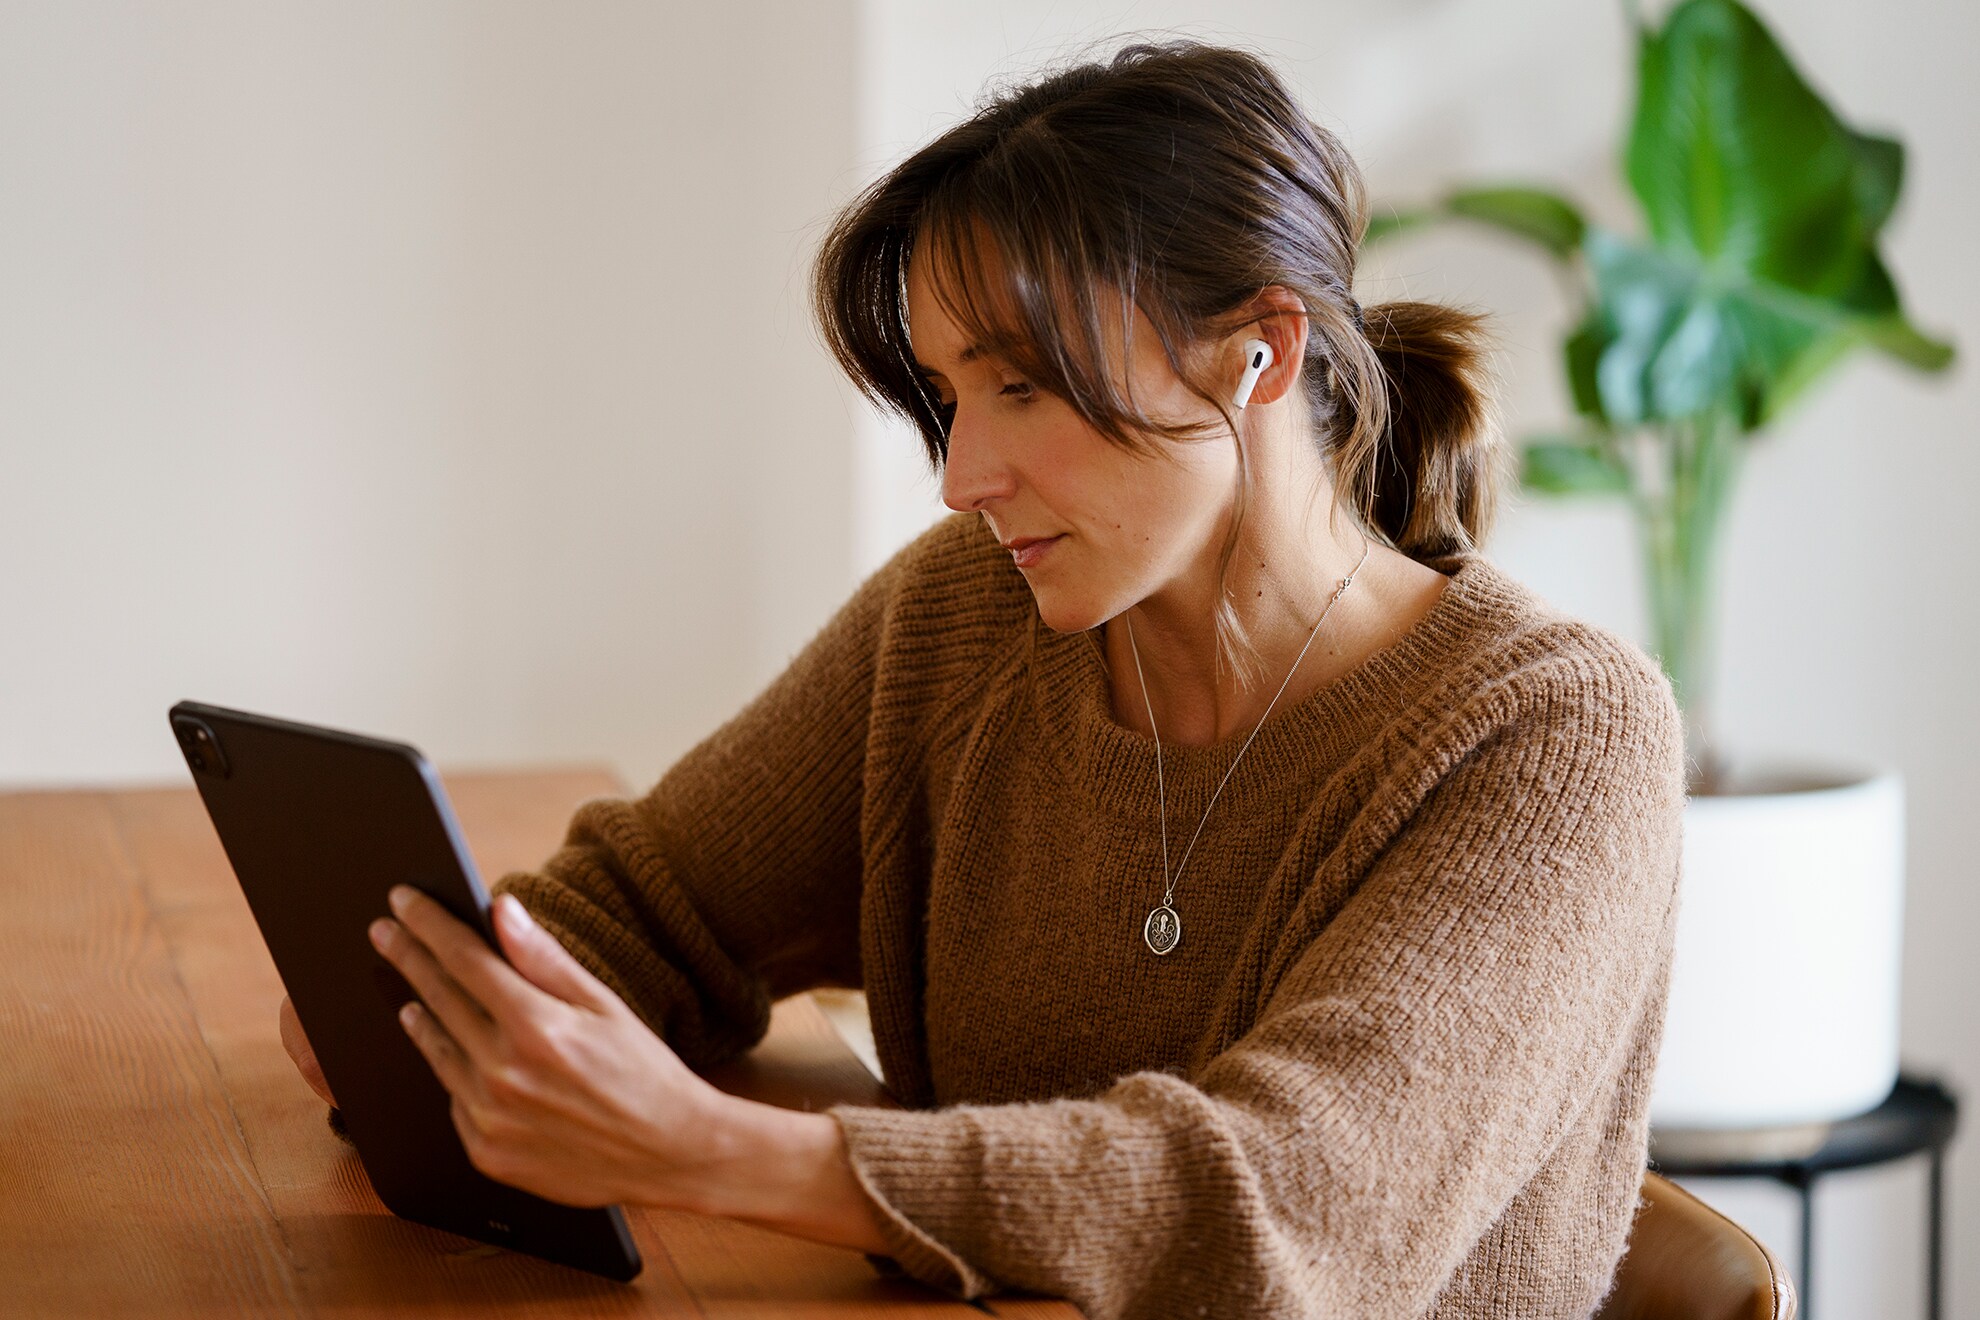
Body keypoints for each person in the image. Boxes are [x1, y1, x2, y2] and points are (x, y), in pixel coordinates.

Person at [282, 37, 1688, 1319]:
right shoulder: (967, 621)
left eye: (1020, 387)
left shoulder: (1554, 734)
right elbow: (658, 903)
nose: (961, 479)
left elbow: (1288, 1211)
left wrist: (708, 1148)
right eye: (951, 399)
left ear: (1260, 351)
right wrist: (433, 1006)